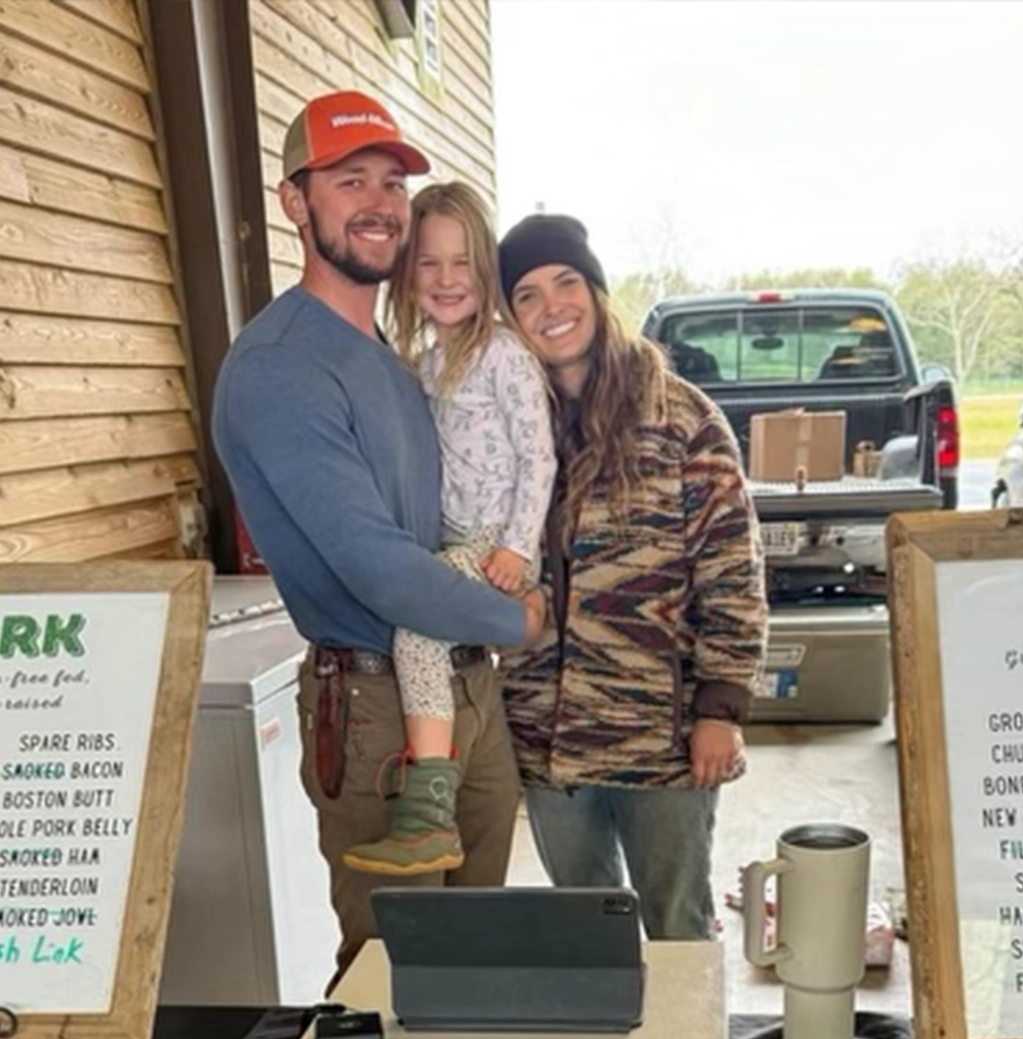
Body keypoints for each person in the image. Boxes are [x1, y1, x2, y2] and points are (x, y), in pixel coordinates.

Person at [211, 90, 545, 988]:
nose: (379, 201)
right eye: (349, 178)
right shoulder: (284, 366)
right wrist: (522, 621)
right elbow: (381, 571)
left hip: (464, 687)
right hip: (376, 707)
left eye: (391, 182)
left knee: (473, 961)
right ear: (294, 201)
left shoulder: (399, 361)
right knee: (398, 975)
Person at [497, 214, 768, 941]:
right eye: (526, 294)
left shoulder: (683, 419)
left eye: (565, 282)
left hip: (664, 736)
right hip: (549, 739)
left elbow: (732, 573)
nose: (552, 306)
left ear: (596, 290)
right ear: (511, 318)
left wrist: (721, 707)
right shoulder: (508, 429)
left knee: (678, 924)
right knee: (587, 931)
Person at [342, 181, 556, 876]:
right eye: (429, 263)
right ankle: (435, 796)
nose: (445, 278)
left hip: (495, 543)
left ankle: (428, 806)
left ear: (485, 269)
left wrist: (517, 548)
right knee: (422, 620)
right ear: (408, 274)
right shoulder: (426, 365)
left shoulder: (503, 354)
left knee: (417, 628)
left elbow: (538, 456)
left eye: (462, 262)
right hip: (454, 540)